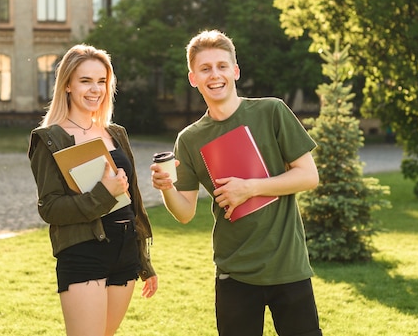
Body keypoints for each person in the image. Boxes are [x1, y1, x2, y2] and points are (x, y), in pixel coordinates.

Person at [151, 30, 323, 336]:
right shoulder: (190, 139)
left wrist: (250, 187)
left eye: (221, 66)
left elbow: (308, 175)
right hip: (234, 273)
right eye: (205, 69)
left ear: (235, 71)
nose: (214, 75)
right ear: (193, 78)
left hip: (288, 266)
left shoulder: (271, 111)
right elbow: (185, 212)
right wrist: (166, 188)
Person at [28, 44, 158, 336]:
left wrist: (144, 262)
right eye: (85, 81)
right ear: (68, 86)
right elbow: (49, 208)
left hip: (125, 252)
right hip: (84, 252)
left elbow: (132, 201)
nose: (95, 89)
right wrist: (103, 193)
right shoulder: (50, 138)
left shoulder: (116, 133)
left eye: (102, 81)